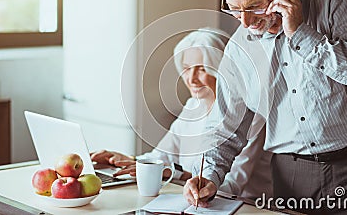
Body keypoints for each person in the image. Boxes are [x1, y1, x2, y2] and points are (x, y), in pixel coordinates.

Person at [183, 0, 347, 214]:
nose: (246, 22)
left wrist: (301, 33)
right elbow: (227, 124)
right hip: (293, 178)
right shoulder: (240, 49)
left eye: (253, 6)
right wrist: (209, 175)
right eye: (234, 9)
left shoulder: (330, 4)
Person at [91, 27, 273, 199]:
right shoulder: (193, 106)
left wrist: (175, 173)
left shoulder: (251, 116)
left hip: (245, 207)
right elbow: (162, 156)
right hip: (192, 199)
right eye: (187, 68)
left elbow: (228, 185)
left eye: (202, 69)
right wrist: (129, 160)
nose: (191, 79)